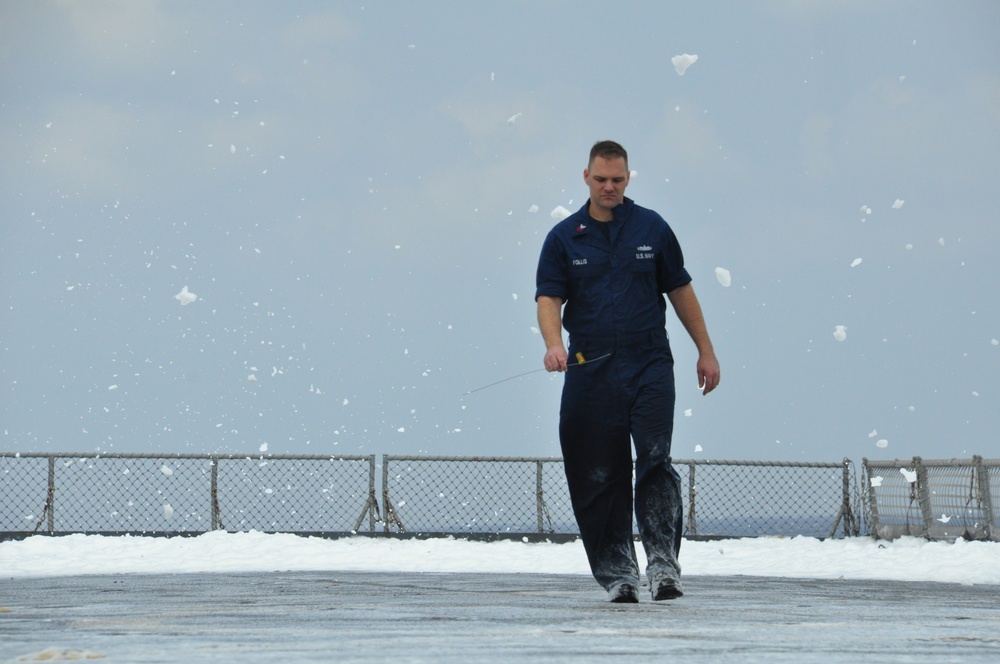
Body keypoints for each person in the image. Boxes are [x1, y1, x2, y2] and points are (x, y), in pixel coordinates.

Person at [535, 140, 720, 603]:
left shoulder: (651, 228)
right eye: (601, 179)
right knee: (600, 473)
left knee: (655, 462)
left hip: (649, 362)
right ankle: (619, 573)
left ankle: (663, 567)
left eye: (618, 179)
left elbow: (680, 290)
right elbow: (548, 299)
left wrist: (706, 351)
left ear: (628, 178)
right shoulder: (564, 238)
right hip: (590, 368)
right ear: (586, 177)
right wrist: (554, 344)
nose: (610, 187)